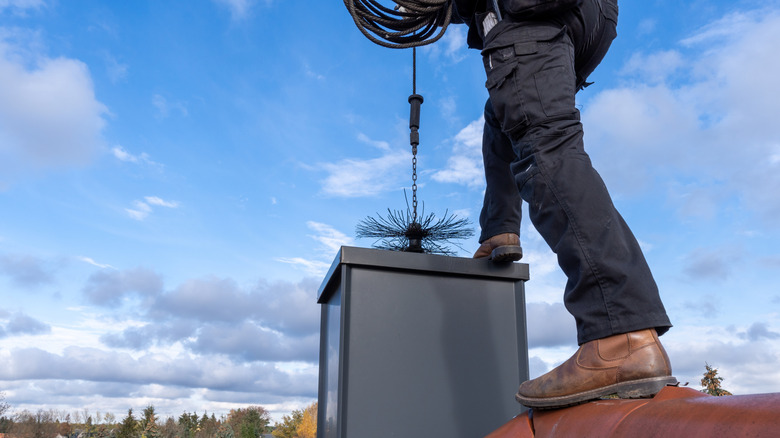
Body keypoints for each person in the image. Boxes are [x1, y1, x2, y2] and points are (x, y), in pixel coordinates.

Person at [451, 0, 677, 409]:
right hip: (593, 16)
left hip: (524, 11)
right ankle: (500, 225)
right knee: (504, 112)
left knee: (545, 146)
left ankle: (620, 336)